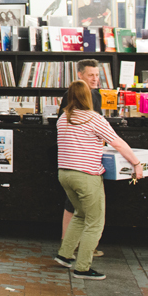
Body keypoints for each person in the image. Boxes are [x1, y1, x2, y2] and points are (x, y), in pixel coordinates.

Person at [54, 80, 143, 279]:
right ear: (88, 96)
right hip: (86, 176)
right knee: (95, 222)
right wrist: (137, 163)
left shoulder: (62, 118)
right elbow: (117, 143)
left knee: (80, 214)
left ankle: (65, 255)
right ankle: (82, 268)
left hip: (65, 174)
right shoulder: (93, 118)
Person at [57, 60, 104, 247]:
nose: (95, 79)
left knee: (77, 205)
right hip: (80, 159)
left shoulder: (96, 95)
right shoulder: (72, 95)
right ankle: (73, 246)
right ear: (80, 75)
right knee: (75, 205)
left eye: (97, 75)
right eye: (91, 75)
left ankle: (71, 246)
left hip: (81, 159)